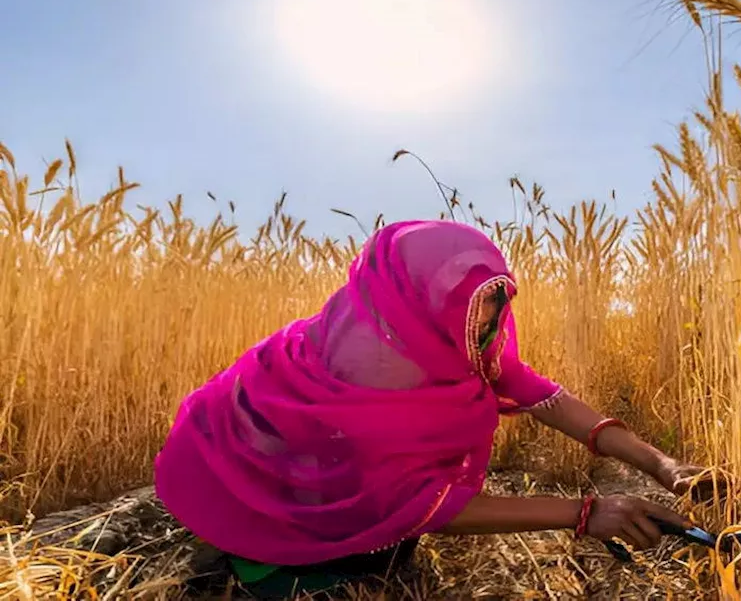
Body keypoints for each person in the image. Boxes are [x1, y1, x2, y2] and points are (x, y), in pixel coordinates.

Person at [154, 219, 709, 598]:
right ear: (416, 297)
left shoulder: (456, 337)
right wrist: (586, 514)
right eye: (476, 305)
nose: (492, 322)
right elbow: (422, 504)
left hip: (344, 498)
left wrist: (662, 465)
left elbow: (550, 399)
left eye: (496, 303)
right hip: (277, 523)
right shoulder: (360, 375)